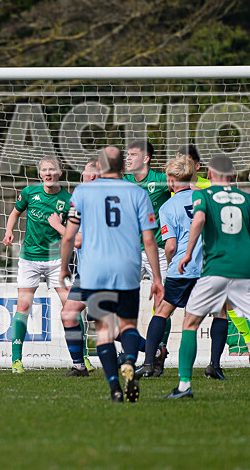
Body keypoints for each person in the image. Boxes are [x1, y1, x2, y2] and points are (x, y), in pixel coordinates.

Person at [166, 154, 250, 399]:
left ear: (209, 175)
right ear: (232, 176)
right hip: (244, 270)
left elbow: (198, 219)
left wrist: (187, 253)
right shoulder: (247, 198)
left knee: (190, 324)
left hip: (215, 269)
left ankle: (184, 386)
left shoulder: (203, 194)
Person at [60, 147, 164, 402]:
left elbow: (69, 235)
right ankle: (129, 359)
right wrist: (158, 279)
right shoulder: (138, 193)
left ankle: (114, 388)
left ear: (101, 166)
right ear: (122, 166)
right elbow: (149, 240)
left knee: (105, 330)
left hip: (94, 270)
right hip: (127, 267)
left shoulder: (82, 192)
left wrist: (64, 267)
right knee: (127, 325)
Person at [138, 156, 230, 380]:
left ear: (170, 180)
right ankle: (214, 365)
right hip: (209, 268)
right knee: (220, 314)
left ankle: (149, 362)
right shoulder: (209, 199)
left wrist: (171, 266)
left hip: (182, 268)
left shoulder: (168, 207)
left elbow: (170, 245)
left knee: (162, 312)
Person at [176, 145, 250, 367]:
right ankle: (155, 356)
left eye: (185, 162)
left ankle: (246, 343)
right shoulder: (173, 185)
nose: (181, 166)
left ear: (197, 165)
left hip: (210, 254)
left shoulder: (208, 187)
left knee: (226, 306)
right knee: (164, 304)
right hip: (183, 254)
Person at [3, 156, 72, 374]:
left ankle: (82, 358)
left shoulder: (69, 200)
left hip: (56, 259)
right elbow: (15, 212)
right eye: (45, 170)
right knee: (23, 307)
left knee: (70, 307)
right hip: (29, 259)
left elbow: (73, 233)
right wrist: (8, 231)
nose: (48, 173)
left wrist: (59, 227)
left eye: (53, 169)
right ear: (40, 174)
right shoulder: (29, 193)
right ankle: (16, 360)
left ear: (60, 172)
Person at [124, 140, 172, 370]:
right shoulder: (123, 182)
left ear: (146, 159)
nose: (128, 158)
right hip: (131, 251)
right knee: (123, 301)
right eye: (127, 154)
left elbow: (188, 189)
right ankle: (136, 351)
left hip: (160, 250)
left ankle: (158, 353)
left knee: (162, 304)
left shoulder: (162, 180)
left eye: (133, 154)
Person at [61, 157, 99, 376]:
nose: (81, 175)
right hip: (86, 272)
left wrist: (58, 226)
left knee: (106, 325)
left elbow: (77, 240)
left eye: (84, 172)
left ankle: (152, 352)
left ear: (92, 176)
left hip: (99, 272)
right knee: (68, 313)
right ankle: (78, 365)